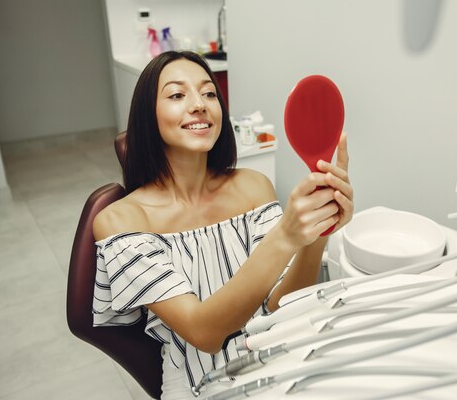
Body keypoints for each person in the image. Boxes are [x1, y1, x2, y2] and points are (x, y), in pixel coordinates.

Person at [92, 50, 353, 399]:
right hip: (201, 384)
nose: (199, 104)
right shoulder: (121, 220)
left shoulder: (252, 186)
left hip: (280, 359)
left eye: (209, 93)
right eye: (176, 94)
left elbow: (281, 305)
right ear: (147, 116)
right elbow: (205, 333)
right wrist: (286, 236)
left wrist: (318, 231)